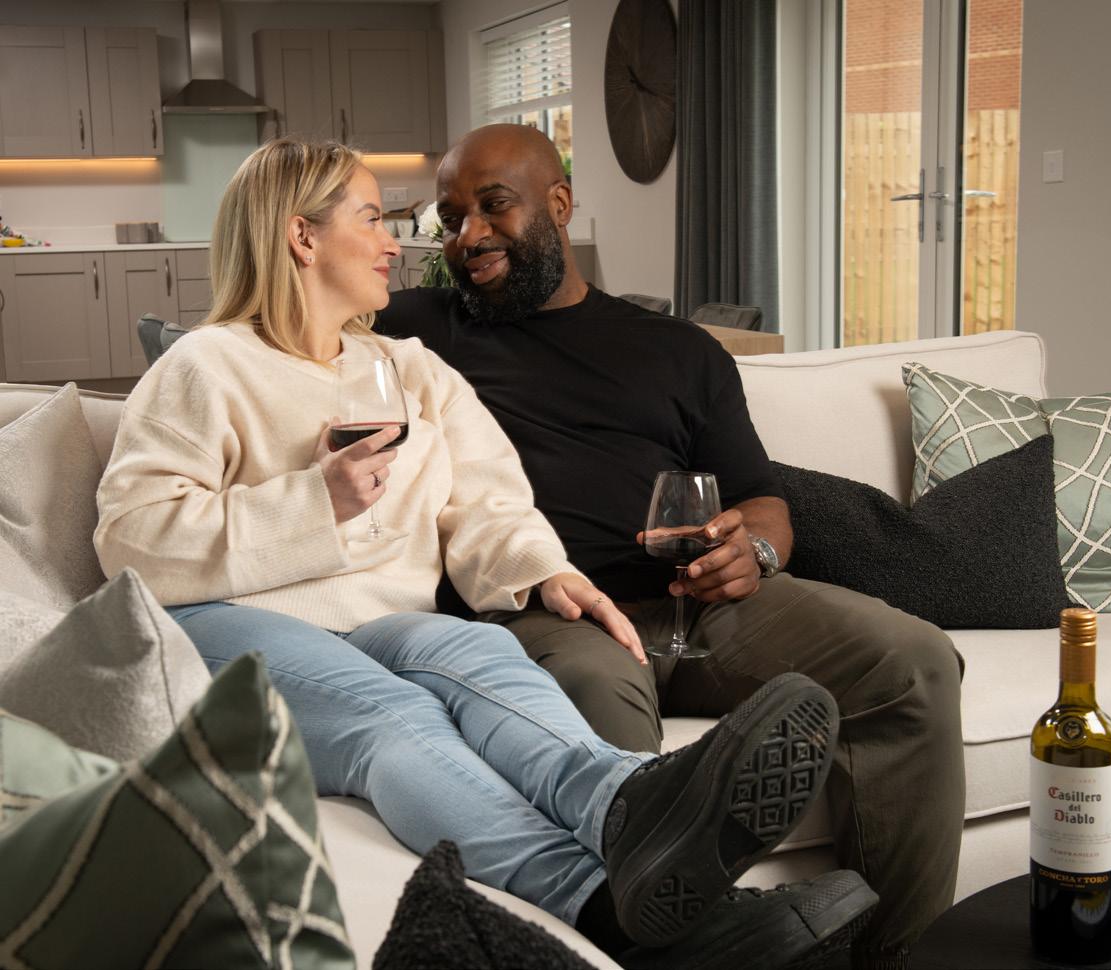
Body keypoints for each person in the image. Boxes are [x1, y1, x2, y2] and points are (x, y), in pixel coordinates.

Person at [93, 138, 876, 969]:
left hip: (378, 621)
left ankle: (627, 803)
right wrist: (314, 501)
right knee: (393, 717)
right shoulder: (208, 364)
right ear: (302, 237)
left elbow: (487, 498)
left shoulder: (407, 369)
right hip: (227, 624)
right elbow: (131, 537)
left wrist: (546, 572)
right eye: (373, 219)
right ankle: (616, 914)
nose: (396, 242)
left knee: (481, 654)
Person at [376, 123, 966, 970]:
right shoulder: (415, 329)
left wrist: (754, 553)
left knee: (914, 661)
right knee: (602, 707)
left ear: (559, 204)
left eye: (493, 206)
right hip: (549, 615)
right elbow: (273, 320)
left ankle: (884, 957)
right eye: (451, 218)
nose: (468, 236)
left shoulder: (678, 349)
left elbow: (764, 503)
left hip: (704, 604)